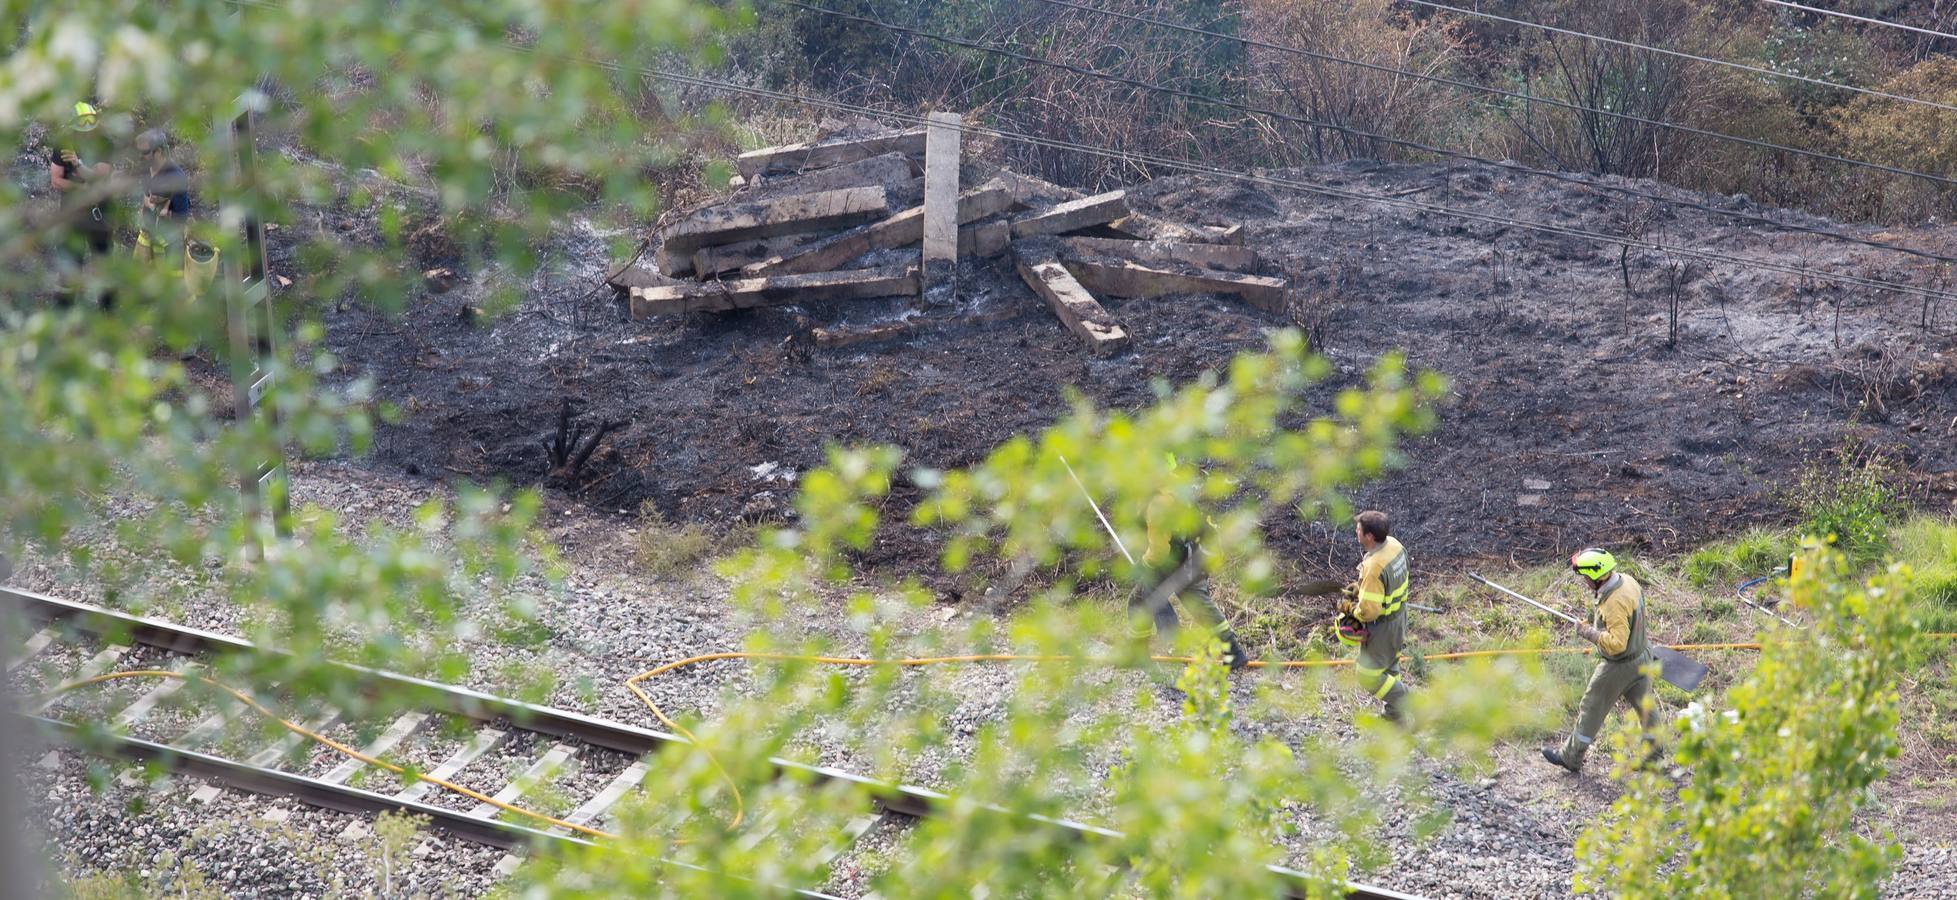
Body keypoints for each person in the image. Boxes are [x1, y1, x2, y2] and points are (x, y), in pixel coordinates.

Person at [1542, 547, 1657, 772]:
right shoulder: (1627, 582)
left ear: (1597, 576)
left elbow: (1617, 644)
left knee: (1591, 705)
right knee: (1646, 708)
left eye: (1586, 577)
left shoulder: (1614, 602)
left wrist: (1589, 633)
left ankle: (1570, 757)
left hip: (1620, 665)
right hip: (1642, 654)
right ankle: (1655, 758)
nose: (1584, 581)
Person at [1131, 457, 1250, 671]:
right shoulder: (1179, 488)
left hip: (1177, 559)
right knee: (1199, 605)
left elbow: (1159, 552)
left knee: (1144, 595)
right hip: (1194, 556)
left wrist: (1143, 564)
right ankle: (1234, 652)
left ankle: (1149, 651)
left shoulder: (1158, 503)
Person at [1339, 510, 1411, 722]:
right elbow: (1389, 582)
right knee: (1389, 666)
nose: (1356, 532)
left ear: (1369, 536)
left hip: (1383, 627)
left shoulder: (1374, 567)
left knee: (1368, 676)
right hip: (1399, 617)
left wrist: (1351, 609)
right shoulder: (1395, 546)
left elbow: (1369, 612)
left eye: (1359, 530)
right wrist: (1361, 590)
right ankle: (1396, 717)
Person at [46, 101, 115, 307]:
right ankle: (65, 308)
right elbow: (56, 180)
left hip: (99, 214)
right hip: (73, 214)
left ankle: (107, 308)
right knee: (70, 263)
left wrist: (78, 164)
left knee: (102, 261)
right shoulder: (63, 144)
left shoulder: (104, 143)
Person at [135, 129, 190, 268]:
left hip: (170, 248)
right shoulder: (146, 169)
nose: (140, 156)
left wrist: (162, 212)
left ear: (158, 152)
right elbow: (145, 193)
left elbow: (181, 217)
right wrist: (145, 203)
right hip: (147, 241)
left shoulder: (175, 177)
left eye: (145, 152)